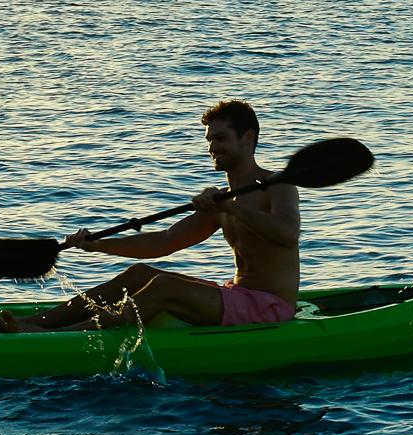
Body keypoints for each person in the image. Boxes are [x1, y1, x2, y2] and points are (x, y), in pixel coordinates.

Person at [71, 99, 308, 329]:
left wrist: (230, 208)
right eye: (209, 140)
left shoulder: (276, 185)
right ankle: (39, 324)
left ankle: (76, 334)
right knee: (138, 274)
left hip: (270, 308)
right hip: (237, 294)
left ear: (248, 138)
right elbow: (165, 241)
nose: (212, 148)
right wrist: (97, 245)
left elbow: (287, 234)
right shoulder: (223, 199)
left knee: (165, 286)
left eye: (220, 138)